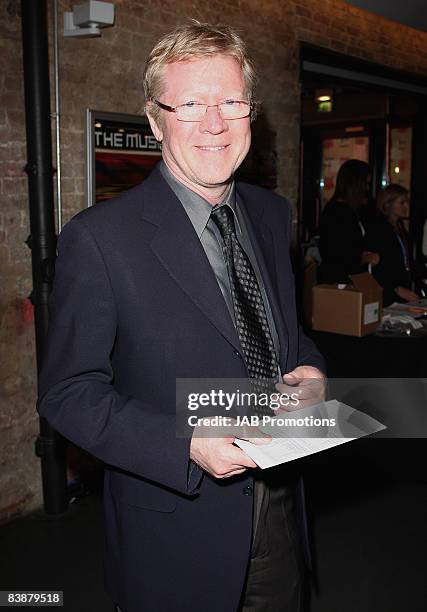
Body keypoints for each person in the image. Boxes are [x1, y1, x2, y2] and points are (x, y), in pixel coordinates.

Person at [37, 21, 325, 612]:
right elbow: (68, 392)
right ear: (154, 119)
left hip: (281, 516)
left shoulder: (272, 215)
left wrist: (312, 370)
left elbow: (285, 334)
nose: (214, 123)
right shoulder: (100, 240)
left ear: (252, 113)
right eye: (190, 104)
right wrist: (189, 441)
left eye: (232, 102)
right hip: (174, 531)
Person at [318, 159, 379, 284]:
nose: (367, 189)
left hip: (348, 280)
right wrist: (364, 258)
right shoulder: (337, 213)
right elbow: (337, 254)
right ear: (355, 185)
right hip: (338, 283)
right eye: (365, 184)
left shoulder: (351, 210)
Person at [364, 184, 418, 306]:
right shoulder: (378, 230)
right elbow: (377, 268)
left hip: (402, 289)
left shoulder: (400, 228)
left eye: (407, 202)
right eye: (402, 203)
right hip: (387, 294)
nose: (406, 207)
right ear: (388, 204)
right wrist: (395, 288)